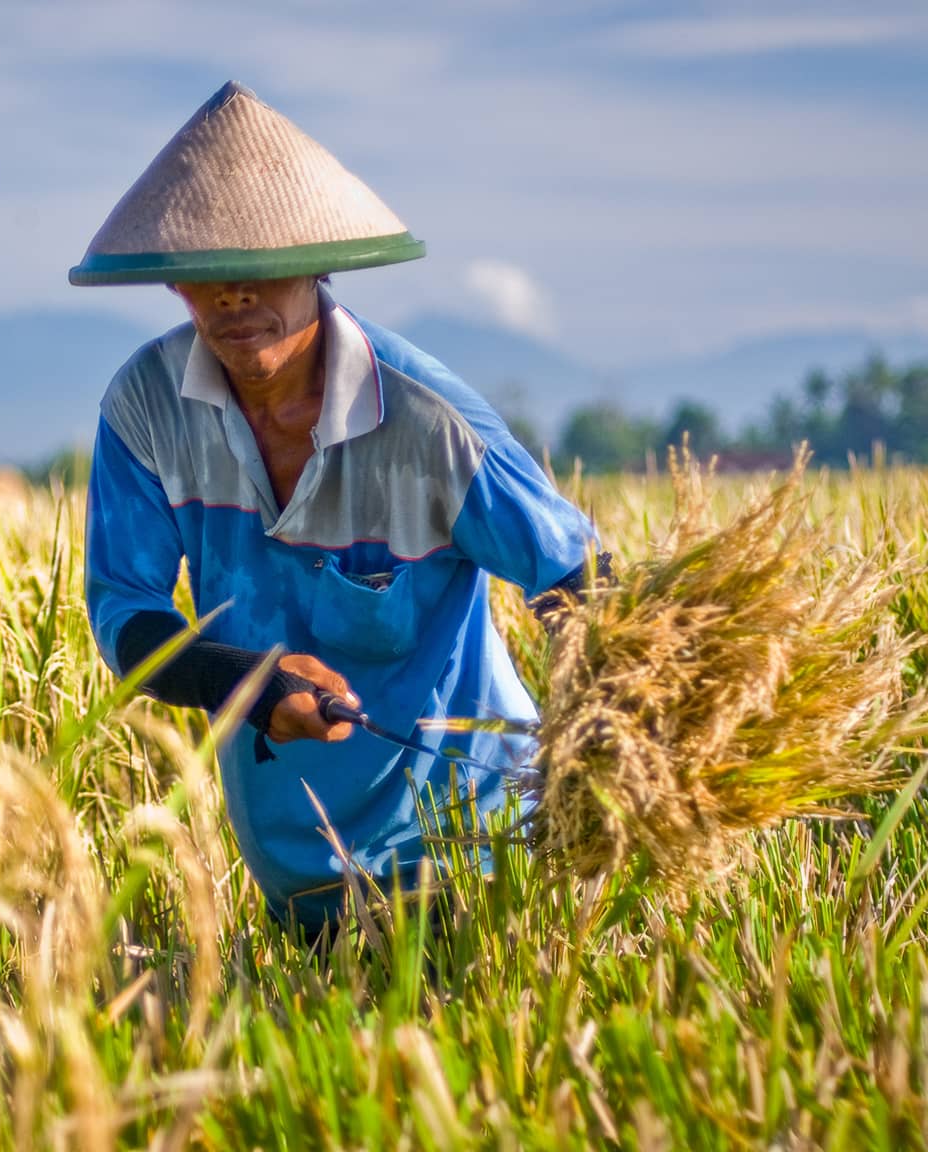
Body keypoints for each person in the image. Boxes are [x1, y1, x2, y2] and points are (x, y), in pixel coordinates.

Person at [70, 82, 605, 937]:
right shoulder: (145, 410)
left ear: (318, 267)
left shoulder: (431, 422)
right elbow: (125, 616)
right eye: (206, 273)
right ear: (174, 282)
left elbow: (580, 581)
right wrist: (249, 681)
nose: (233, 296)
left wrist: (614, 747)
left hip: (479, 850)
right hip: (298, 869)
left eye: (258, 267)